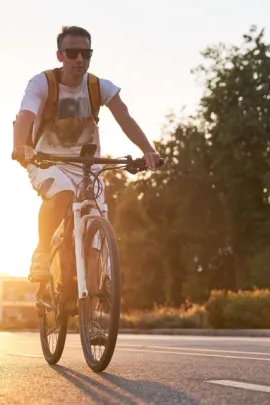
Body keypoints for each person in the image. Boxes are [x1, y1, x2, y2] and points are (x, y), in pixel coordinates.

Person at [11, 25, 161, 282]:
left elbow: (125, 118)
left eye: (86, 53)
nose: (80, 59)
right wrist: (20, 146)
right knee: (62, 192)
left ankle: (90, 303)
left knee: (96, 226)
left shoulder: (99, 87)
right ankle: (43, 252)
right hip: (46, 160)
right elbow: (26, 115)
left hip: (87, 165)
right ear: (60, 55)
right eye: (72, 53)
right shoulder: (43, 83)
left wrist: (147, 150)